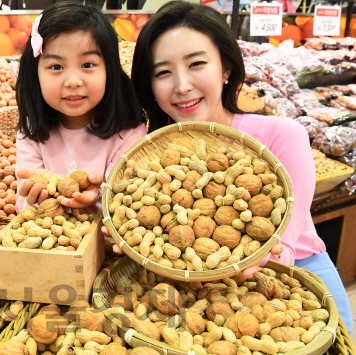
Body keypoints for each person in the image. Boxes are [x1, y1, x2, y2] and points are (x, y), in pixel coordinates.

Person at [128, 0, 353, 334]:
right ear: (149, 86)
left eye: (197, 64)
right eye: (163, 72)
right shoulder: (149, 155)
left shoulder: (281, 135)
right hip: (188, 288)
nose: (182, 85)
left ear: (227, 68)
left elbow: (281, 245)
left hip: (295, 278)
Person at [15, 2, 147, 215]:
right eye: (56, 67)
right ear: (34, 75)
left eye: (87, 65)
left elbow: (131, 206)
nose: (73, 82)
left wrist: (96, 197)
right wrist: (40, 197)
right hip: (54, 243)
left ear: (110, 70)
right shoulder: (31, 131)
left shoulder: (129, 132)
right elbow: (23, 207)